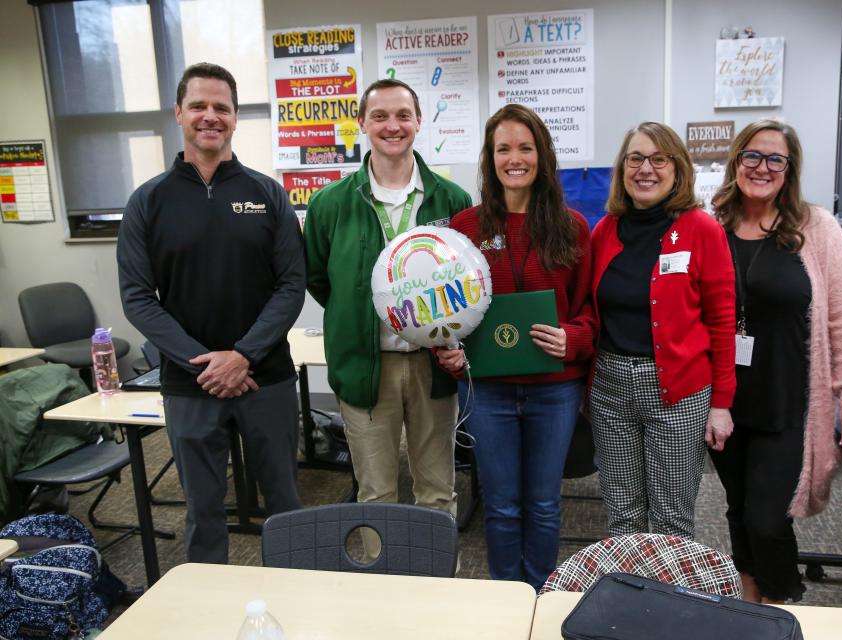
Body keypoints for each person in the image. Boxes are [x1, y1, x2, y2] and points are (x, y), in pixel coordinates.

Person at [117, 62, 304, 563]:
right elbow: (137, 297)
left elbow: (292, 284)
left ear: (235, 118)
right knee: (202, 512)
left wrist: (243, 355)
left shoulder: (267, 194)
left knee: (285, 505)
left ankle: (300, 606)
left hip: (266, 377)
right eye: (198, 105)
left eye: (221, 107)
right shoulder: (148, 202)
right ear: (179, 112)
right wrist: (207, 363)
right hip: (189, 383)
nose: (210, 116)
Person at [710, 118, 842, 603]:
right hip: (726, 401)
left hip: (789, 401)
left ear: (789, 170)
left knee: (767, 519)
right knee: (738, 509)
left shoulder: (816, 228)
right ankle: (751, 604)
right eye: (752, 155)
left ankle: (785, 605)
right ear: (736, 161)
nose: (762, 167)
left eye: (776, 159)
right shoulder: (714, 225)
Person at [437, 104, 596, 590]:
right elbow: (441, 312)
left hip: (554, 390)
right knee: (502, 505)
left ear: (542, 156)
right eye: (503, 148)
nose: (515, 158)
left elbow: (590, 312)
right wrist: (445, 349)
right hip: (489, 391)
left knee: (545, 504)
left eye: (525, 147)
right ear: (490, 159)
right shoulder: (464, 229)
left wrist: (573, 338)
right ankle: (506, 599)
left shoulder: (572, 227)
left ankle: (542, 596)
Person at [303, 79, 471, 534]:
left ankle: (438, 595)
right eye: (380, 116)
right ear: (362, 124)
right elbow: (321, 279)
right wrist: (356, 318)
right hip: (364, 367)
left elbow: (469, 282)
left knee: (437, 492)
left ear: (418, 122)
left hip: (432, 367)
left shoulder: (452, 200)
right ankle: (384, 597)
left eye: (402, 115)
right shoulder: (329, 204)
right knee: (375, 495)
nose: (392, 126)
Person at [590, 122, 736, 540]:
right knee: (622, 518)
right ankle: (629, 601)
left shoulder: (702, 229)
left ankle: (667, 605)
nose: (646, 169)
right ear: (622, 169)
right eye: (635, 158)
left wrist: (721, 403)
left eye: (659, 158)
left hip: (679, 390)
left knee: (672, 520)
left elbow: (723, 322)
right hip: (611, 388)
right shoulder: (605, 230)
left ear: (677, 169)